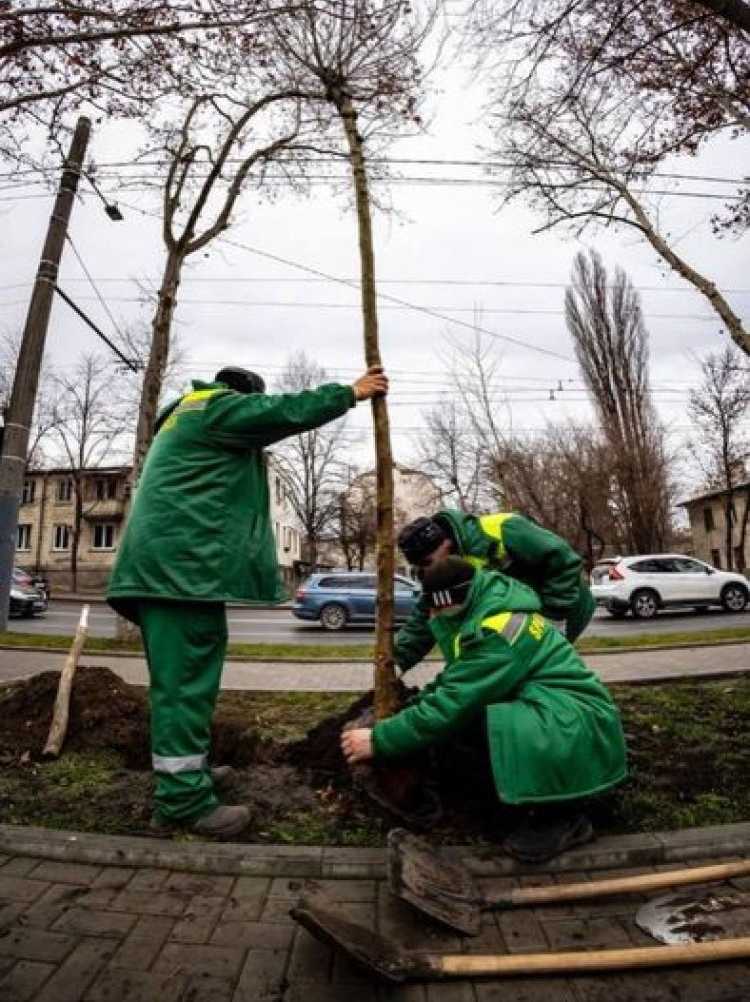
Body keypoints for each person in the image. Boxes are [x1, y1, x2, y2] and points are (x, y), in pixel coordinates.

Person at [108, 362, 388, 840]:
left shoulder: (187, 416)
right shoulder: (216, 407)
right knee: (184, 689)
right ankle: (183, 802)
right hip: (180, 572)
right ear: (242, 396)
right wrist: (350, 392)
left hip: (174, 572)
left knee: (186, 685)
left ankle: (189, 774)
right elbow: (284, 411)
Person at [341, 557, 627, 863]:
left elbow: (453, 703)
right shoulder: (490, 608)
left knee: (480, 721)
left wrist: (380, 739)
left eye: (436, 610)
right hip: (563, 715)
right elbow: (456, 679)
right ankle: (489, 796)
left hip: (572, 724)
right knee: (472, 722)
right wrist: (412, 708)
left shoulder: (499, 632)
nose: (432, 617)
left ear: (453, 601)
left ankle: (561, 816)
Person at [395, 510, 595, 676]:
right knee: (504, 670)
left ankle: (569, 703)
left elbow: (564, 560)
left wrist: (553, 616)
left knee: (541, 668)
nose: (427, 571)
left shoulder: (503, 529)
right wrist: (396, 662)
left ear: (446, 543)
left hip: (565, 604)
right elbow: (424, 618)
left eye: (427, 563)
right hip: (517, 616)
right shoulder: (443, 570)